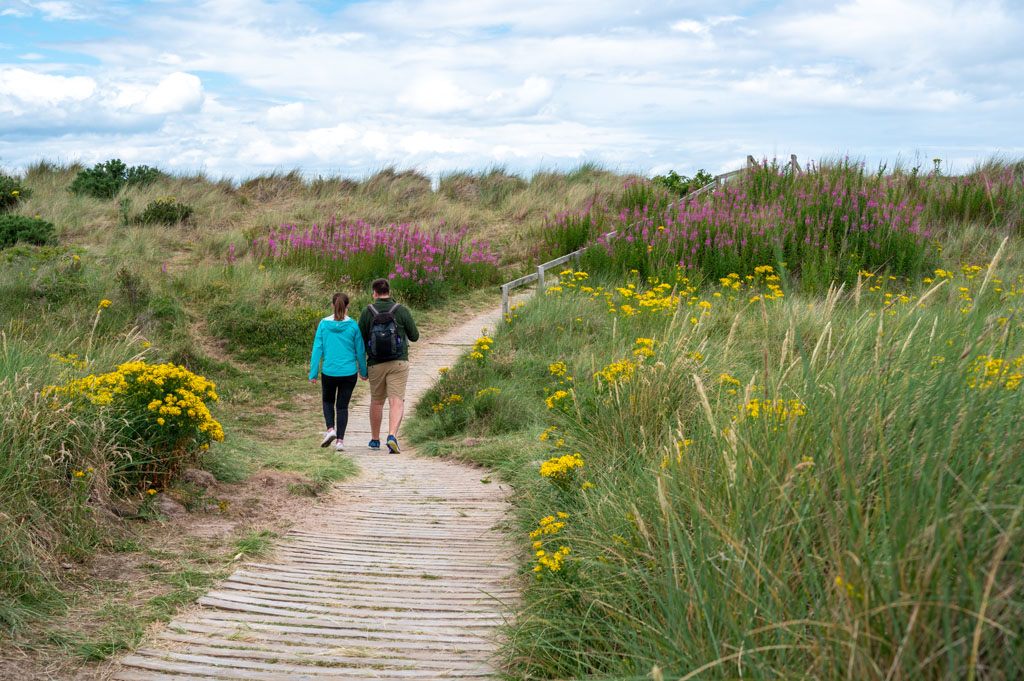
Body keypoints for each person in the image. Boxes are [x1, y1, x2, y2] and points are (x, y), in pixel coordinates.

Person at [358, 278, 418, 453]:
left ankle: (375, 440)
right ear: (389, 292)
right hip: (399, 362)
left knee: (376, 402)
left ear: (374, 293)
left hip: (375, 363)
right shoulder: (401, 310)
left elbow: (360, 342)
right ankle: (392, 436)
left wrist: (362, 367)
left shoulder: (367, 312)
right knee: (396, 401)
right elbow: (414, 336)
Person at [309, 292, 367, 452]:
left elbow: (317, 349)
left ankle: (330, 430)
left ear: (333, 306)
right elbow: (360, 351)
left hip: (329, 371)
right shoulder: (353, 325)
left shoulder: (323, 324)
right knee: (342, 406)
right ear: (348, 306)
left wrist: (313, 373)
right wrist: (363, 370)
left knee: (328, 402)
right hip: (348, 373)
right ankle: (340, 441)